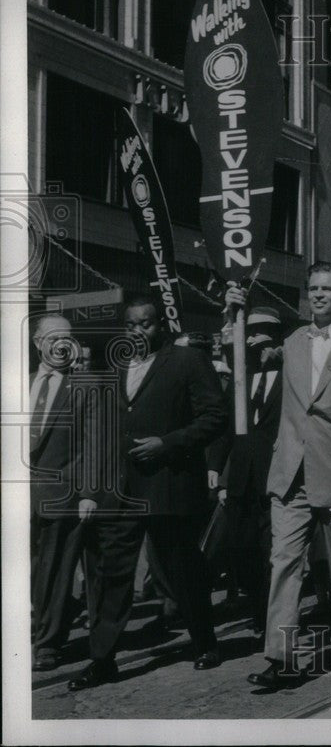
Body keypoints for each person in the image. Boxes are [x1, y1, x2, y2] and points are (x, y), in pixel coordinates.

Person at [68, 296, 227, 690]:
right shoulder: (116, 365)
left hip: (167, 484)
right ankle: (102, 660)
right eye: (131, 324)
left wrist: (168, 443)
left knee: (181, 570)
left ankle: (204, 642)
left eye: (145, 324)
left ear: (161, 326)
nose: (137, 331)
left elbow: (215, 416)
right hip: (121, 490)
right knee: (112, 574)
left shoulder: (187, 362)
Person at [236, 262, 331, 690]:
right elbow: (241, 361)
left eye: (327, 289)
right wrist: (232, 313)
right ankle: (282, 657)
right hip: (289, 470)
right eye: (313, 288)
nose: (319, 296)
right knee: (284, 565)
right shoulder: (293, 341)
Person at [209, 306, 285, 640]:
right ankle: (256, 606)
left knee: (272, 551)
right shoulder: (239, 382)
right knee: (244, 551)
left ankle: (269, 619)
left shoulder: (289, 379)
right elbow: (226, 426)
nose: (256, 347)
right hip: (241, 479)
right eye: (250, 341)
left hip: (275, 477)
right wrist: (215, 466)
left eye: (262, 340)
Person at [29, 315, 87, 671]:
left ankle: (46, 642)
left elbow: (92, 444)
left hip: (60, 491)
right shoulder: (17, 382)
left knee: (54, 570)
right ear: (38, 343)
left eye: (68, 337)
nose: (62, 343)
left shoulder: (84, 386)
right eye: (54, 337)